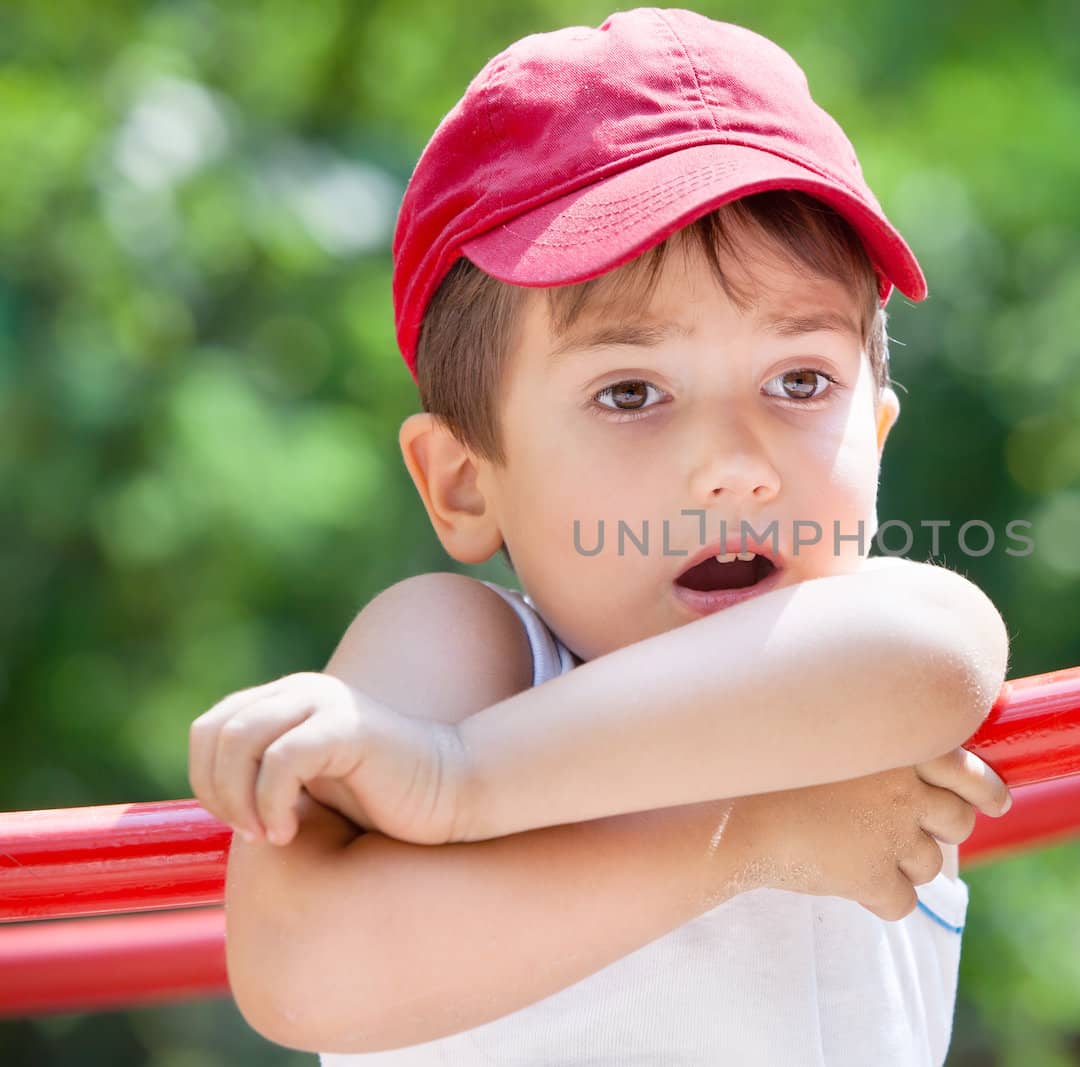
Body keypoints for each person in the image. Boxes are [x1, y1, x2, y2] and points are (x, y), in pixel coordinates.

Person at [187, 7, 1014, 1064]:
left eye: (799, 380)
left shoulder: (863, 676)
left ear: (878, 432)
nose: (736, 462)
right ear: (463, 481)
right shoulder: (468, 660)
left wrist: (459, 784)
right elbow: (304, 975)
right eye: (631, 391)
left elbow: (933, 649)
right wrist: (747, 837)